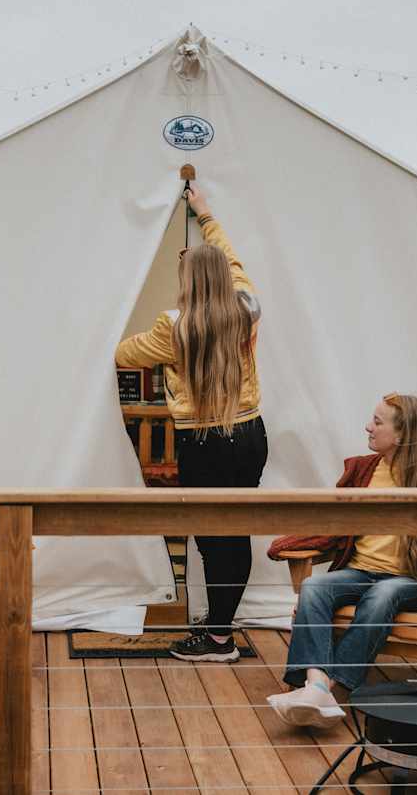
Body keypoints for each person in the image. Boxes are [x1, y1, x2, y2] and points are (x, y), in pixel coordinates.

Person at [116, 184, 267, 663]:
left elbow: (122, 354)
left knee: (209, 536)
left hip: (203, 442)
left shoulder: (173, 327)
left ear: (187, 281)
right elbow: (234, 263)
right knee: (236, 531)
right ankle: (221, 626)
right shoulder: (246, 309)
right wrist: (205, 216)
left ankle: (219, 638)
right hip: (249, 434)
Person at [267, 393, 417, 728]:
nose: (368, 427)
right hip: (359, 572)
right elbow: (336, 526)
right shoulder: (362, 469)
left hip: (410, 582)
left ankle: (329, 687)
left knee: (383, 595)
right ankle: (318, 685)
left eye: (377, 422)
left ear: (402, 434)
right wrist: (299, 540)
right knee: (314, 585)